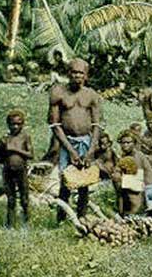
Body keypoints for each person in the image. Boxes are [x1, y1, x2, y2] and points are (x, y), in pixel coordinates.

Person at [49, 58, 101, 222]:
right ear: (68, 74)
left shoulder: (91, 95)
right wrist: (70, 151)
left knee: (84, 181)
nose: (78, 76)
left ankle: (82, 217)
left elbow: (97, 124)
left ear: (86, 76)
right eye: (74, 72)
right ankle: (61, 218)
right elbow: (55, 124)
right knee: (66, 180)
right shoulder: (58, 93)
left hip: (86, 141)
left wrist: (91, 149)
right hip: (67, 142)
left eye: (81, 73)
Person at [0, 110, 33, 227]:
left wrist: (14, 149)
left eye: (18, 124)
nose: (15, 126)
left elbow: (30, 154)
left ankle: (26, 223)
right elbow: (1, 158)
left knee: (24, 199)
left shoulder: (25, 137)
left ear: (23, 124)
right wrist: (3, 147)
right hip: (8, 171)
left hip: (21, 170)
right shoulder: (5, 139)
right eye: (13, 124)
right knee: (11, 199)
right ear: (8, 124)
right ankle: (10, 224)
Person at [117, 130, 152, 216]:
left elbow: (137, 181)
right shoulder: (125, 155)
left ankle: (135, 212)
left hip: (149, 189)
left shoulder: (136, 156)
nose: (125, 145)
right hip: (141, 185)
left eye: (128, 142)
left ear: (134, 143)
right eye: (123, 143)